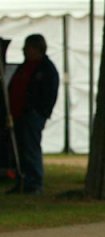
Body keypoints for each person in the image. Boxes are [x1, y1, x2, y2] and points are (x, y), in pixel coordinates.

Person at [6, 34, 59, 195]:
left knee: (31, 148)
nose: (23, 50)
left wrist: (40, 111)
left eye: (27, 47)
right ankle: (22, 180)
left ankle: (35, 182)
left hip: (33, 115)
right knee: (20, 149)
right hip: (19, 114)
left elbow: (49, 93)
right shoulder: (25, 67)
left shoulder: (46, 69)